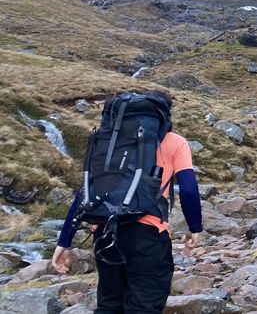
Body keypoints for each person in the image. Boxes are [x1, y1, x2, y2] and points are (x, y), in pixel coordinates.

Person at [51, 90, 204, 314]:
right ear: (164, 114)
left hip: (104, 232)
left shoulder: (109, 143)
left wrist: (64, 241)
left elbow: (85, 192)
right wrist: (195, 227)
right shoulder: (175, 142)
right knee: (144, 305)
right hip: (147, 234)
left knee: (109, 304)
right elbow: (189, 189)